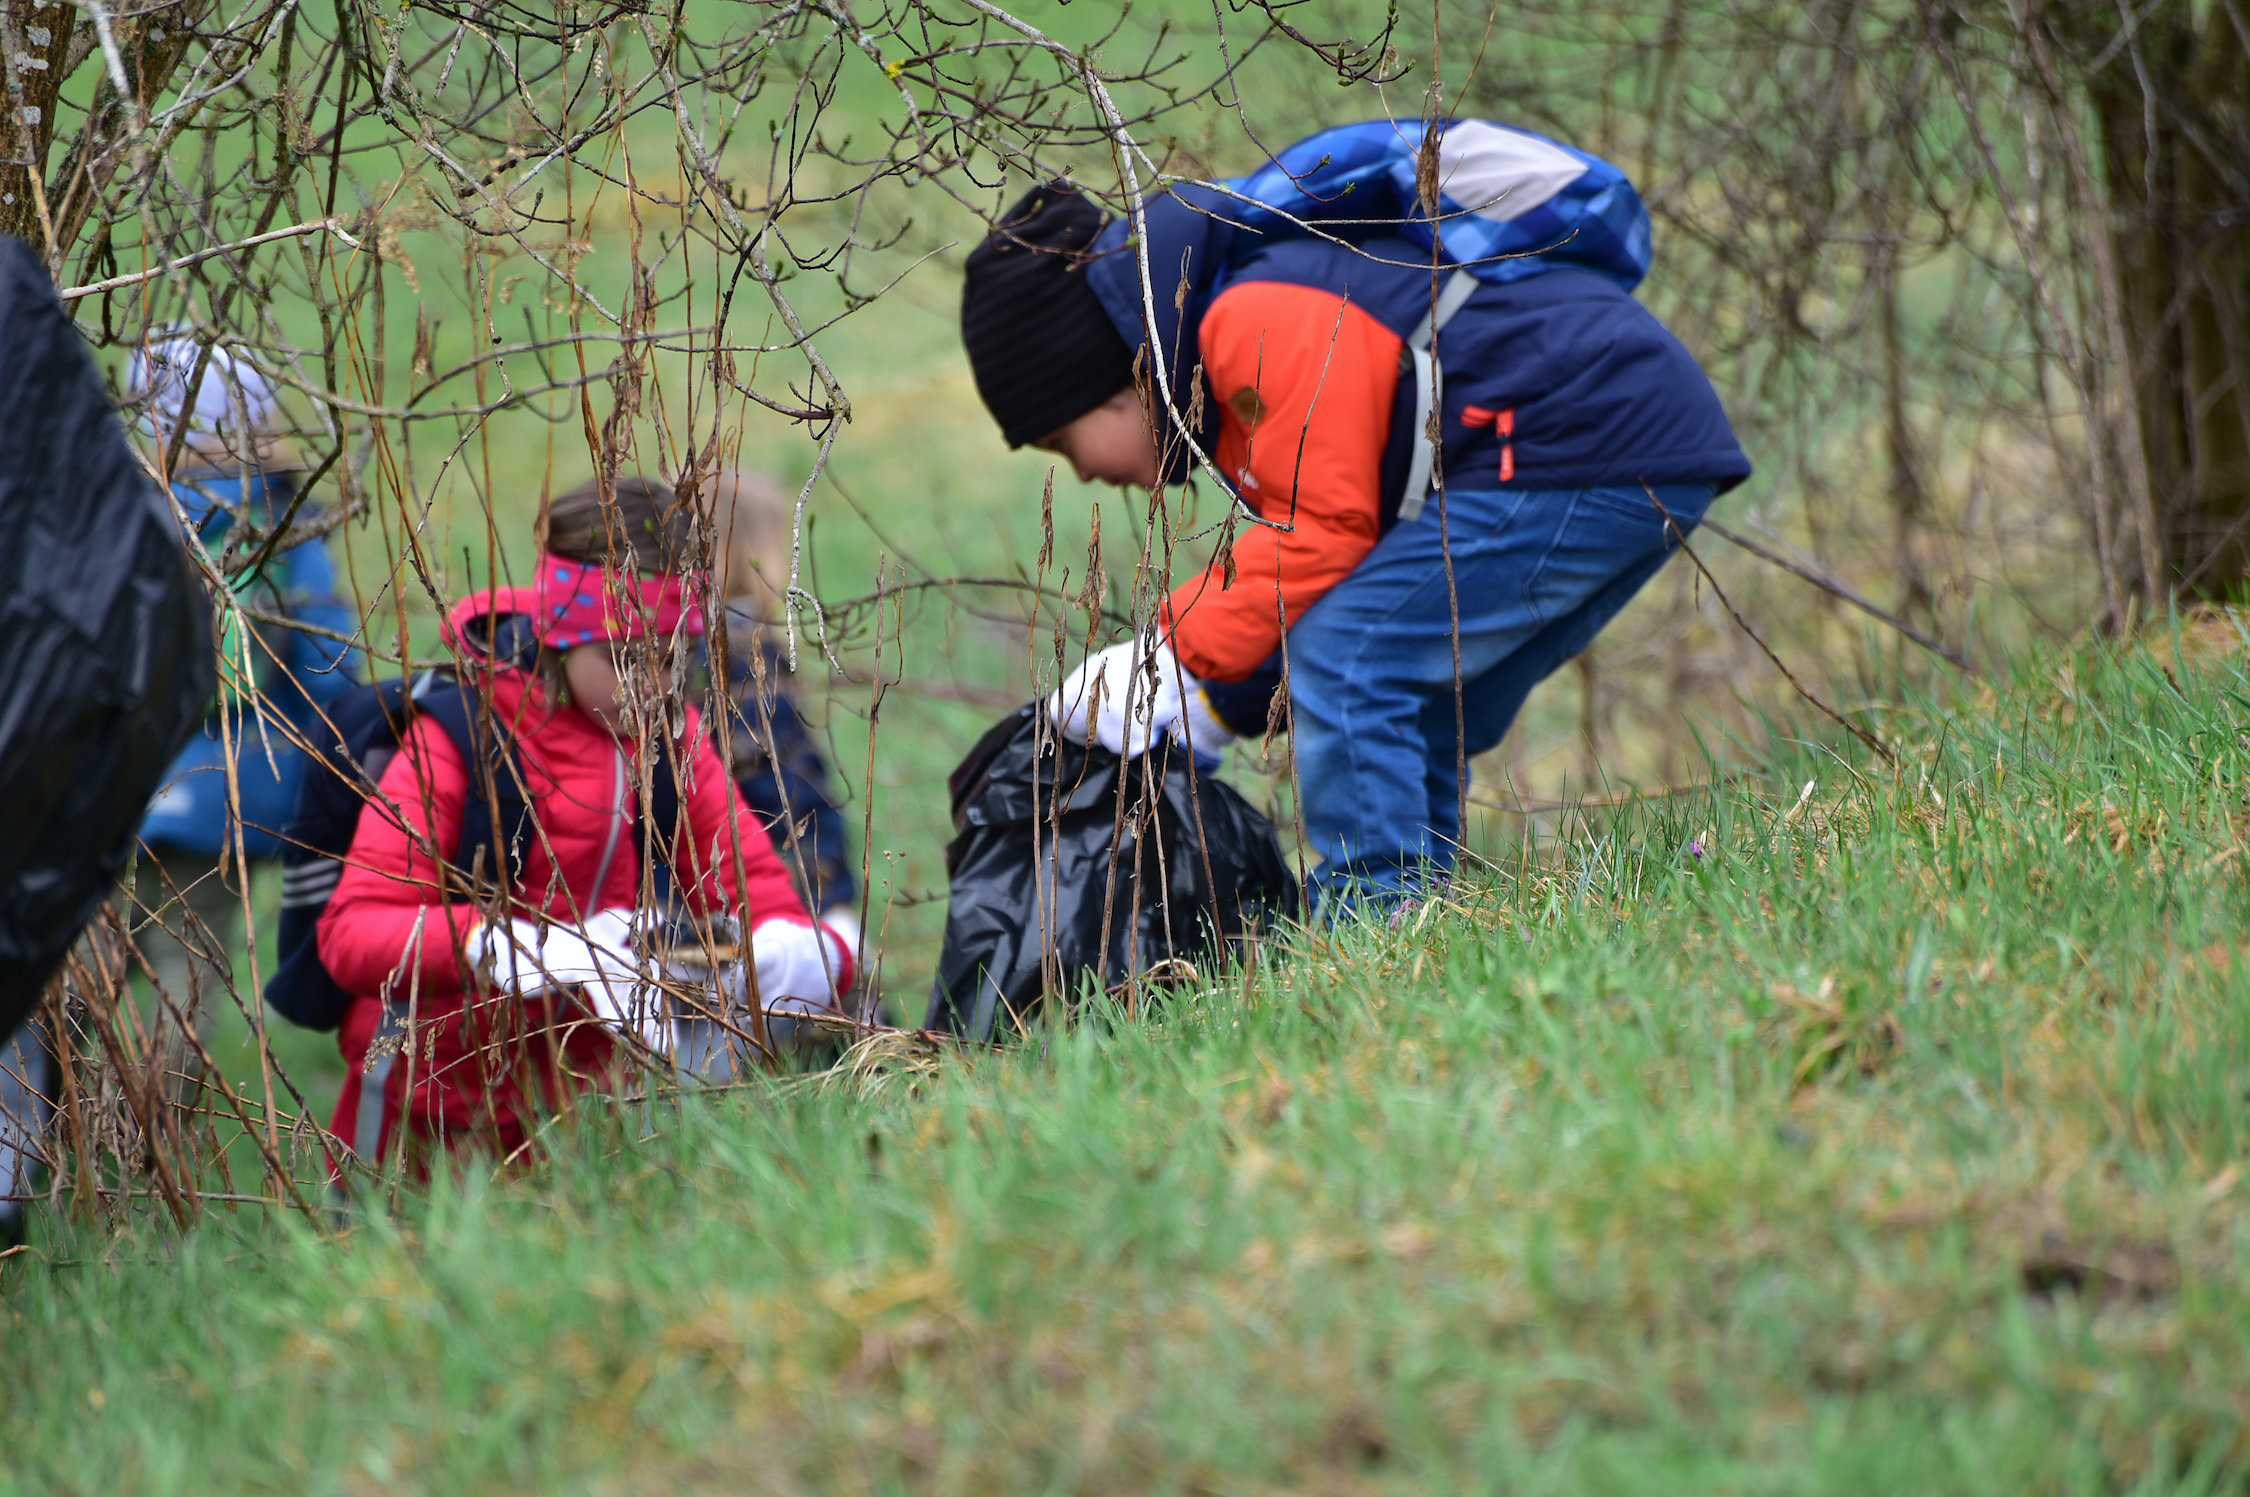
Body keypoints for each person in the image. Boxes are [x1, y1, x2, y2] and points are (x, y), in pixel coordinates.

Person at [956, 125, 1752, 908]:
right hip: (1627, 445)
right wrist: (1215, 698)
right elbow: (1342, 556)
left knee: (1352, 651)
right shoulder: (1240, 323)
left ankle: (1376, 910)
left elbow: (1322, 534)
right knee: (1419, 685)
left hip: (1579, 439)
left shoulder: (1251, 317)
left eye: (1064, 441)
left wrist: (1170, 661)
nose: (1086, 471)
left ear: (1117, 376)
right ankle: (1427, 908)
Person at [315, 476, 857, 1170]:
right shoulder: (458, 741)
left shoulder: (677, 742)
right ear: (559, 639)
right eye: (623, 659)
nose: (653, 686)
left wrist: (794, 955)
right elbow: (351, 931)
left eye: (672, 657)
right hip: (426, 1102)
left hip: (592, 1108)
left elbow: (760, 898)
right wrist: (500, 947)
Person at [128, 334, 358, 1094]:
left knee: (78, 964)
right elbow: (331, 668)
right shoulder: (285, 526)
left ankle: (68, 1135)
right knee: (185, 975)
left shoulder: (123, 516)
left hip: (111, 788)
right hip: (232, 797)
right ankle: (145, 1138)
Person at [705, 469, 861, 929]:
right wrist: (831, 904)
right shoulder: (746, 662)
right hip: (769, 907)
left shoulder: (663, 655)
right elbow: (789, 794)